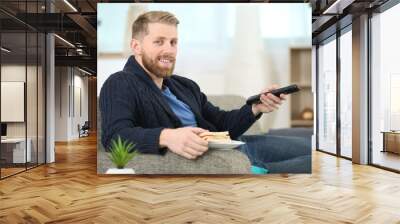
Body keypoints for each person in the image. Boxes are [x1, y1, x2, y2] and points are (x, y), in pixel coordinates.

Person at [100, 11, 310, 173]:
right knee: (313, 163)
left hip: (239, 146)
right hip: (223, 160)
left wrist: (256, 108)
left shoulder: (184, 85)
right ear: (136, 46)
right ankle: (259, 172)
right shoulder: (120, 82)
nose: (169, 50)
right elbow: (114, 136)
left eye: (173, 42)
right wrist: (167, 137)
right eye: (159, 42)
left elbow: (221, 123)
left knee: (314, 149)